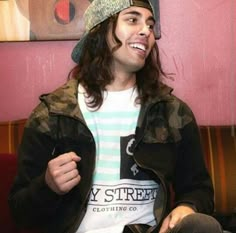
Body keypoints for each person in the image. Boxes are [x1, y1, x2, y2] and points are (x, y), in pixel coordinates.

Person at [8, 0, 223, 233]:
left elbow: (199, 190)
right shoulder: (52, 116)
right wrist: (48, 186)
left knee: (203, 226)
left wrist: (188, 206)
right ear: (101, 31)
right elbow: (20, 213)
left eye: (150, 25)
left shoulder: (172, 113)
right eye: (132, 20)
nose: (146, 31)